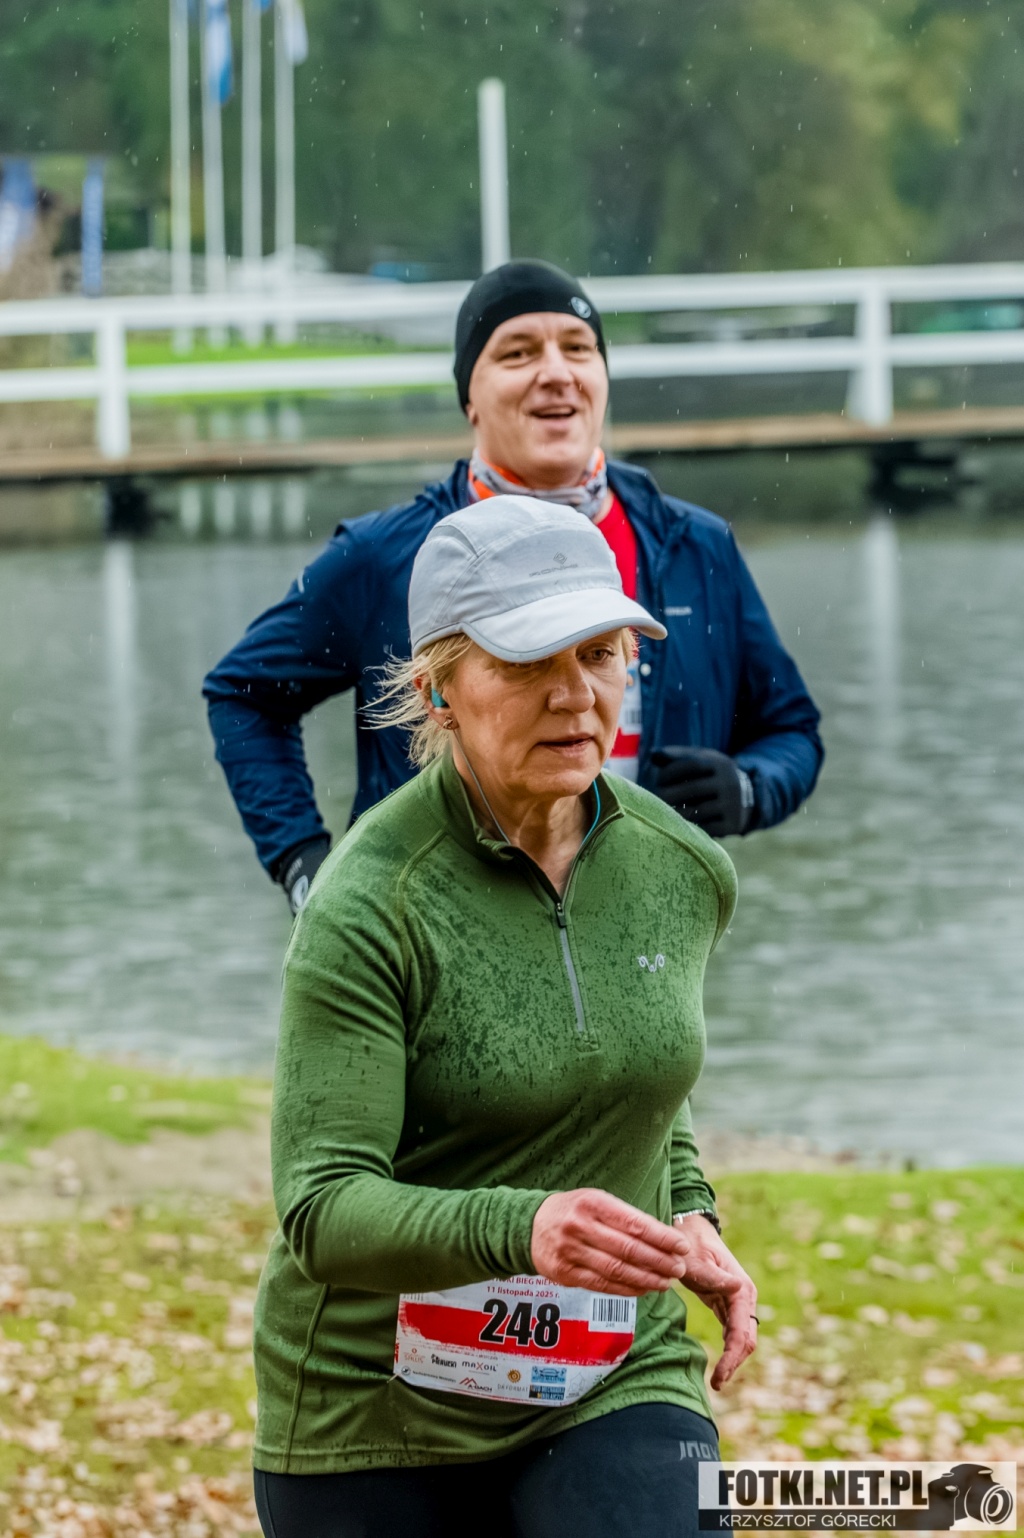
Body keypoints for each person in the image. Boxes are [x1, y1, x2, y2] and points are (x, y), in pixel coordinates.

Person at [251, 497, 758, 1538]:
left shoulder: (684, 868)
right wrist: (523, 1229)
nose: (576, 695)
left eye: (601, 654)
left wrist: (689, 1210)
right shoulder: (370, 903)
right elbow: (322, 1207)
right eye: (528, 662)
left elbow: (639, 1065)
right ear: (437, 687)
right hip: (376, 1404)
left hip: (611, 1367)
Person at [204, 259, 823, 914]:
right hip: (435, 942)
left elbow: (793, 730)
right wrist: (306, 866)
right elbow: (244, 696)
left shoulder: (696, 547)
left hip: (641, 939)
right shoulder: (385, 556)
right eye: (518, 352)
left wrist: (749, 789)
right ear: (470, 399)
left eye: (578, 348)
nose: (556, 371)